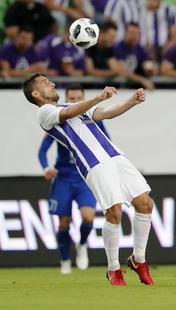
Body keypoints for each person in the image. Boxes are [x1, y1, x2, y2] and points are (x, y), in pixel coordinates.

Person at [23, 73, 154, 286]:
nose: (53, 83)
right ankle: (114, 269)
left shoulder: (71, 106)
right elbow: (69, 112)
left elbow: (104, 114)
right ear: (36, 93)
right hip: (93, 163)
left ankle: (139, 260)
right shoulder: (45, 112)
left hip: (115, 156)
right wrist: (97, 97)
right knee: (114, 212)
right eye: (46, 83)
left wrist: (131, 102)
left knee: (145, 203)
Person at [38, 84, 109, 274]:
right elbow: (42, 150)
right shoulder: (59, 117)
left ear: (84, 98)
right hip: (63, 177)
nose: (76, 101)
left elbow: (106, 144)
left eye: (79, 98)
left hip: (84, 175)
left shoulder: (92, 118)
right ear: (66, 98)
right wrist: (46, 168)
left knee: (88, 217)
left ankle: (83, 244)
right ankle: (65, 260)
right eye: (73, 98)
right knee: (63, 223)